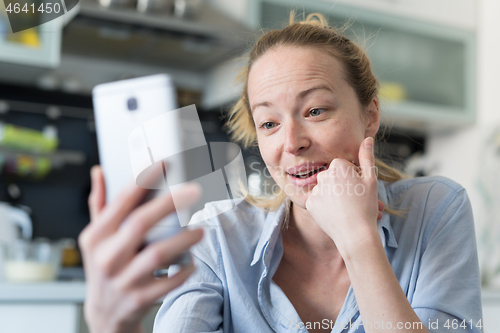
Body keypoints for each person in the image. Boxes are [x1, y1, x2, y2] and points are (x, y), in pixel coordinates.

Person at [80, 13, 483, 333]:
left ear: (370, 115)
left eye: (315, 111)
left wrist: (358, 240)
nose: (292, 143)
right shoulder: (216, 238)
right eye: (269, 123)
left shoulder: (435, 210)